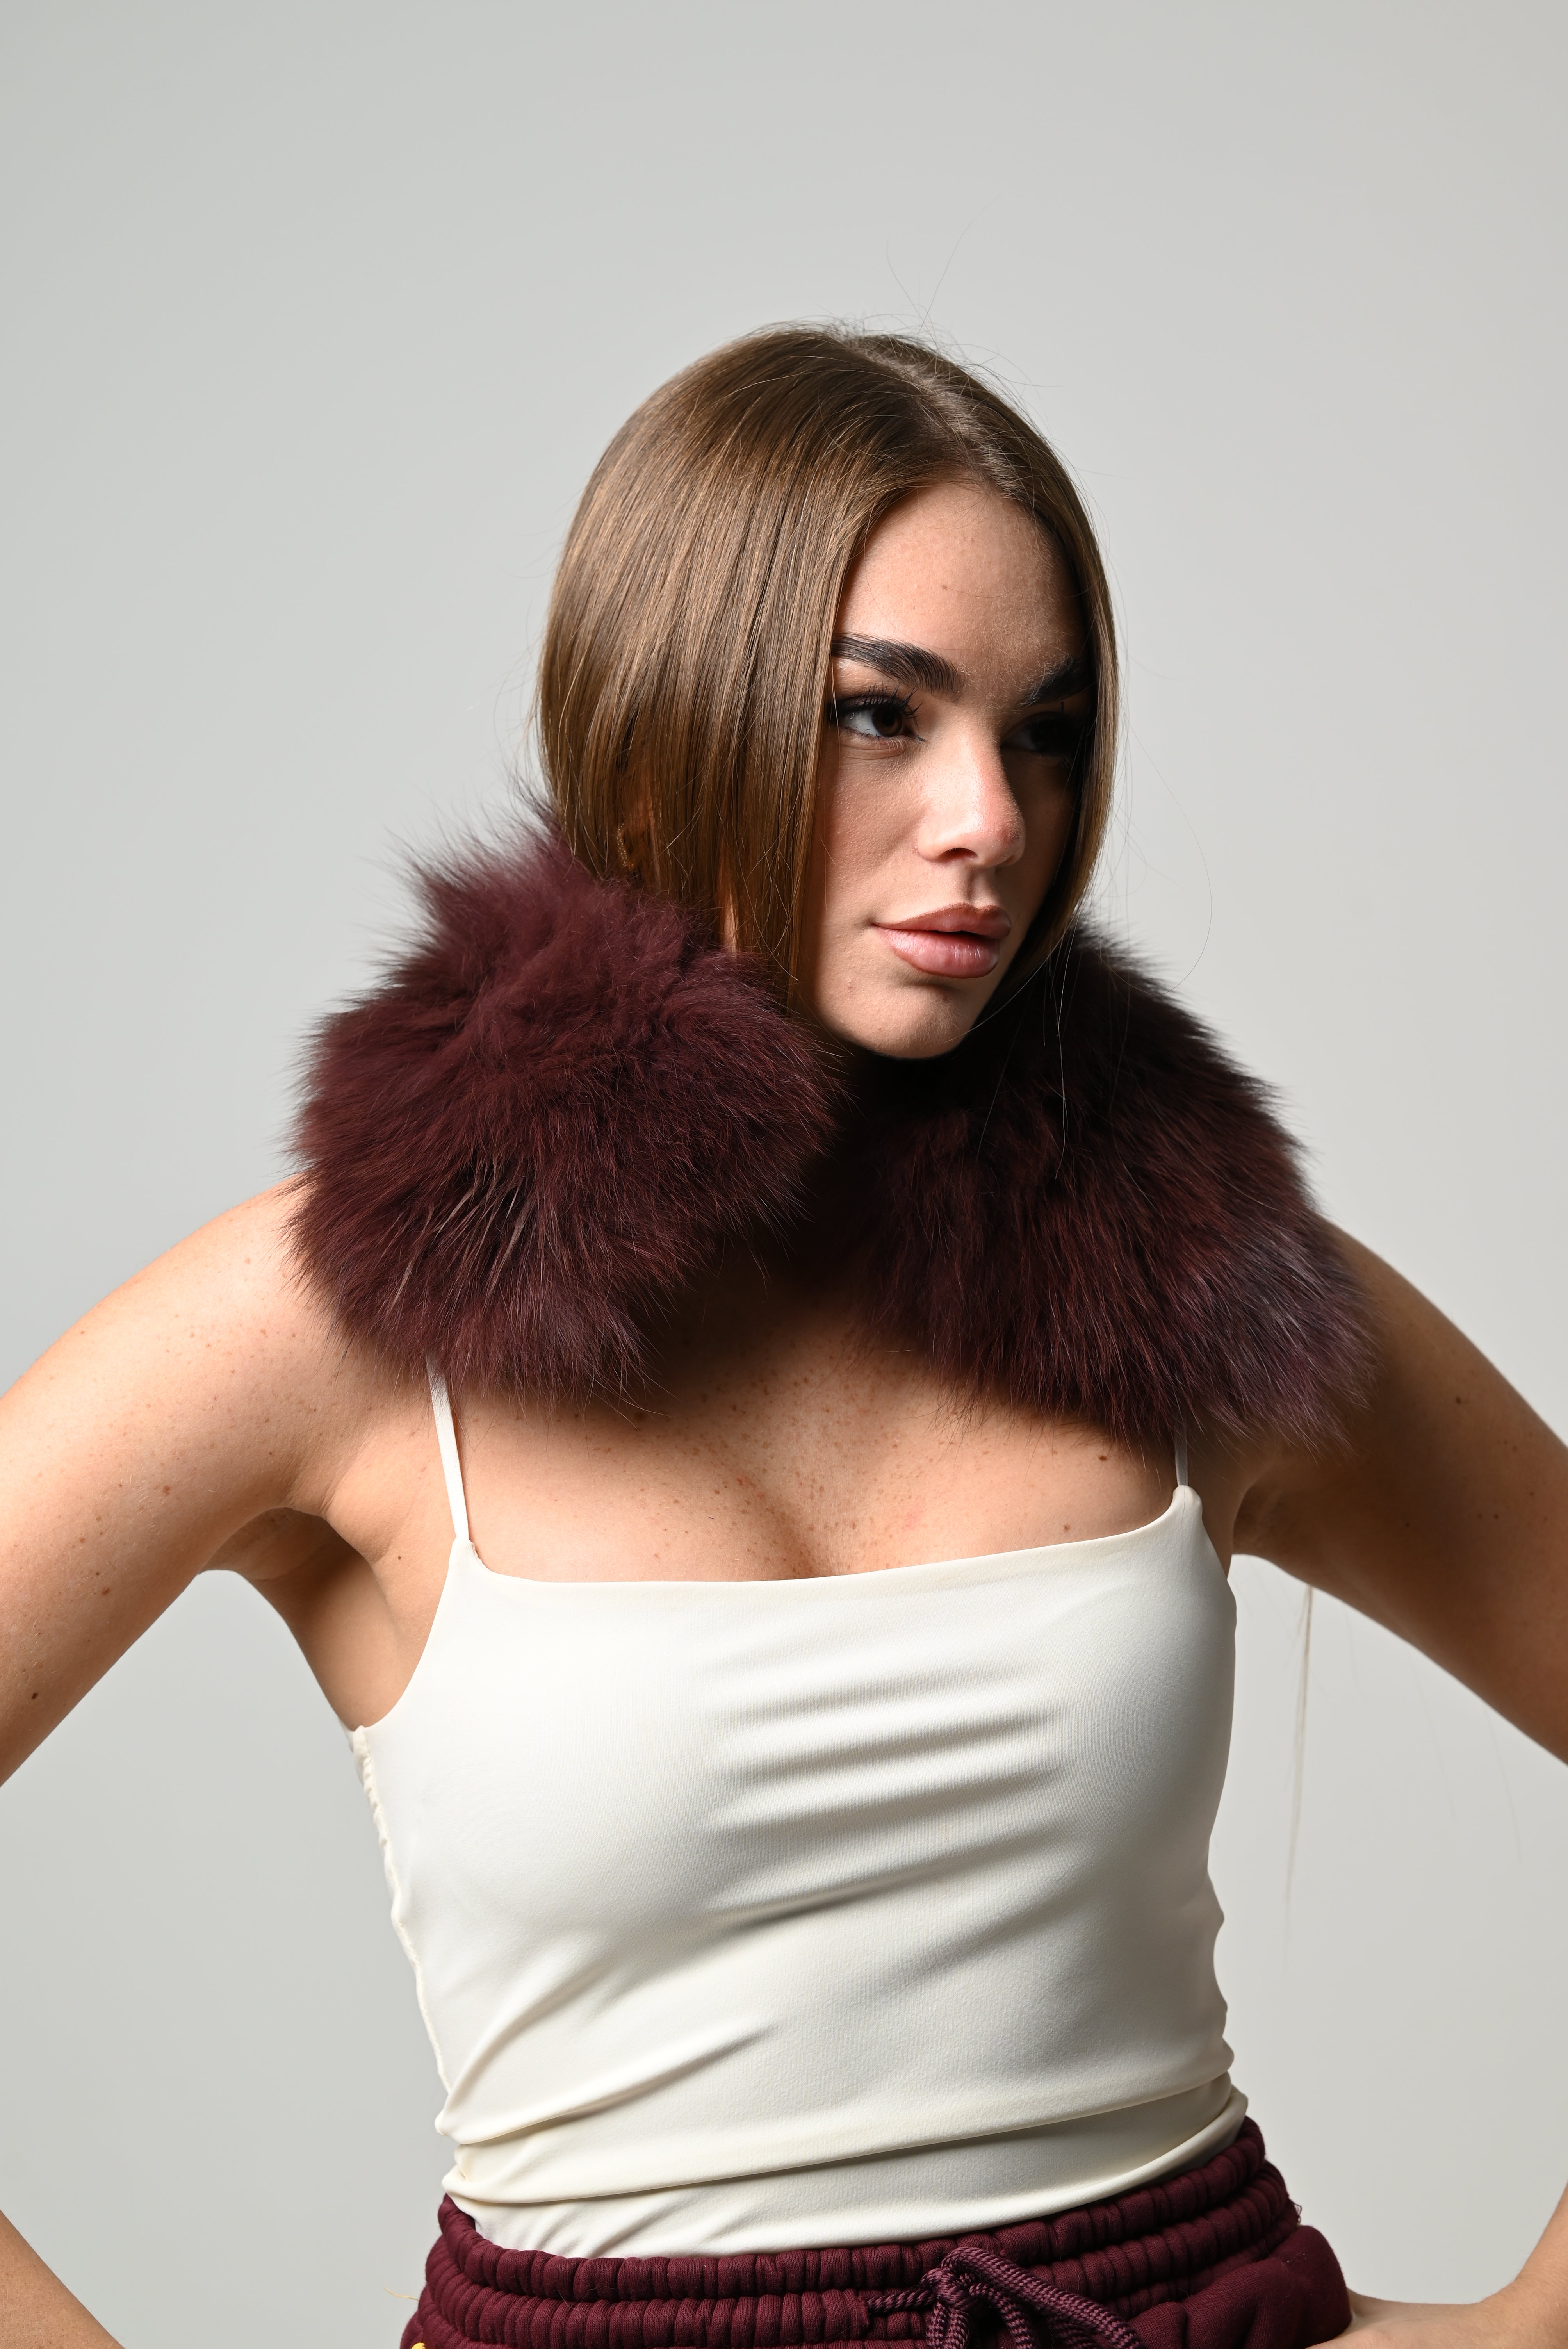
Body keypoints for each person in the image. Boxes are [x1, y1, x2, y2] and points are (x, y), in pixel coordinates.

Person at [2, 326, 1564, 2349]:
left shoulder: (1198, 1284)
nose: (989, 818)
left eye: (1047, 732)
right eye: (878, 717)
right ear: (665, 730)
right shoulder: (355, 1320)